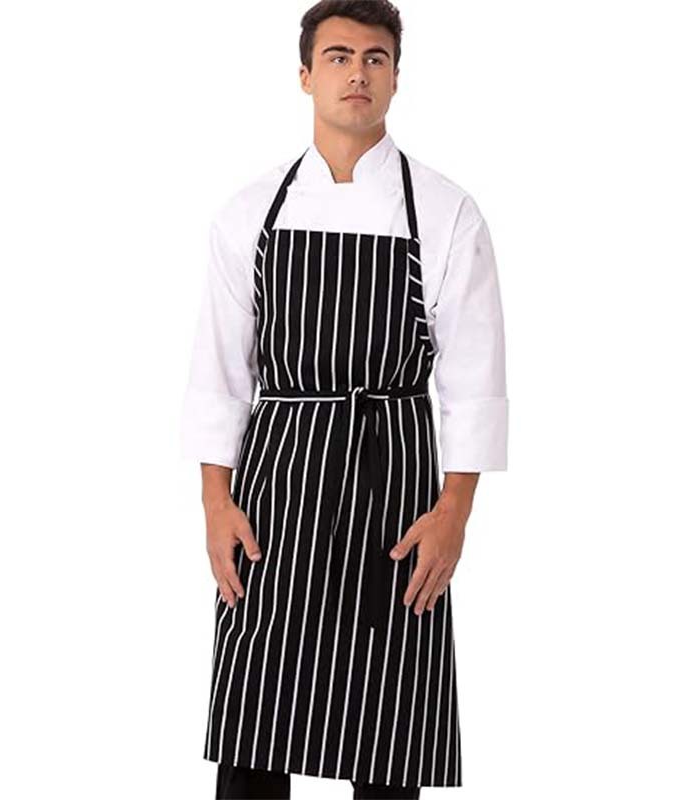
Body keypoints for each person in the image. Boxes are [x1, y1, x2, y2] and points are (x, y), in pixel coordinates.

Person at [180, 1, 508, 797]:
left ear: (395, 78)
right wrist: (215, 504)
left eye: (374, 58)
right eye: (337, 57)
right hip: (277, 485)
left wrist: (454, 513)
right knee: (257, 725)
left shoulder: (447, 212)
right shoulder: (249, 212)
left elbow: (475, 378)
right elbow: (220, 372)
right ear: (305, 75)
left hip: (395, 484)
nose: (356, 73)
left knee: (389, 725)